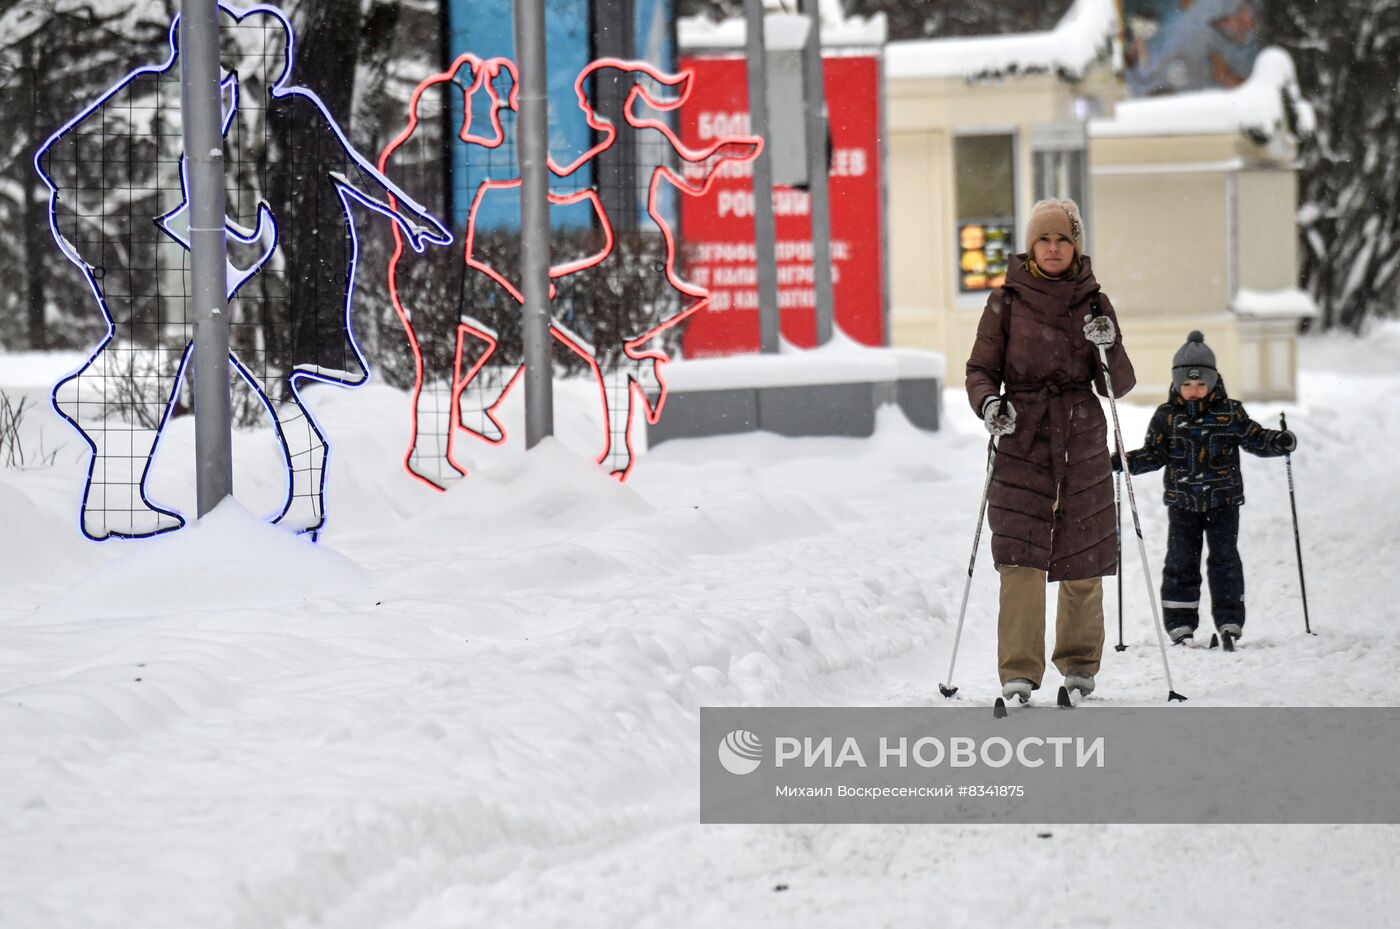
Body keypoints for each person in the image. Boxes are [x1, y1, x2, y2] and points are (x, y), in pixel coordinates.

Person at [966, 198, 1136, 703]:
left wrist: (1108, 345)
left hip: (1081, 439)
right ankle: (1018, 671)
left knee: (1082, 555)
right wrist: (990, 403)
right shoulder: (1006, 302)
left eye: (1063, 239)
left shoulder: (1093, 302)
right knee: (1020, 559)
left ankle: (1080, 666)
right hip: (1022, 438)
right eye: (1045, 238)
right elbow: (979, 370)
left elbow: (1118, 385)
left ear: (1076, 245)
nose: (1054, 247)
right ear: (1031, 246)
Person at [1113, 331, 1296, 645]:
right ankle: (1180, 623)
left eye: (1200, 384)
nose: (1193, 391)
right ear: (1176, 384)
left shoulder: (1229, 413)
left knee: (1224, 560)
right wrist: (1124, 462)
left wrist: (1278, 442)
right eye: (1187, 385)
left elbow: (1254, 438)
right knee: (1181, 561)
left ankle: (1229, 621)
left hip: (1223, 500)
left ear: (1212, 382)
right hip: (1182, 502)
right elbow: (1155, 455)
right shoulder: (1166, 417)